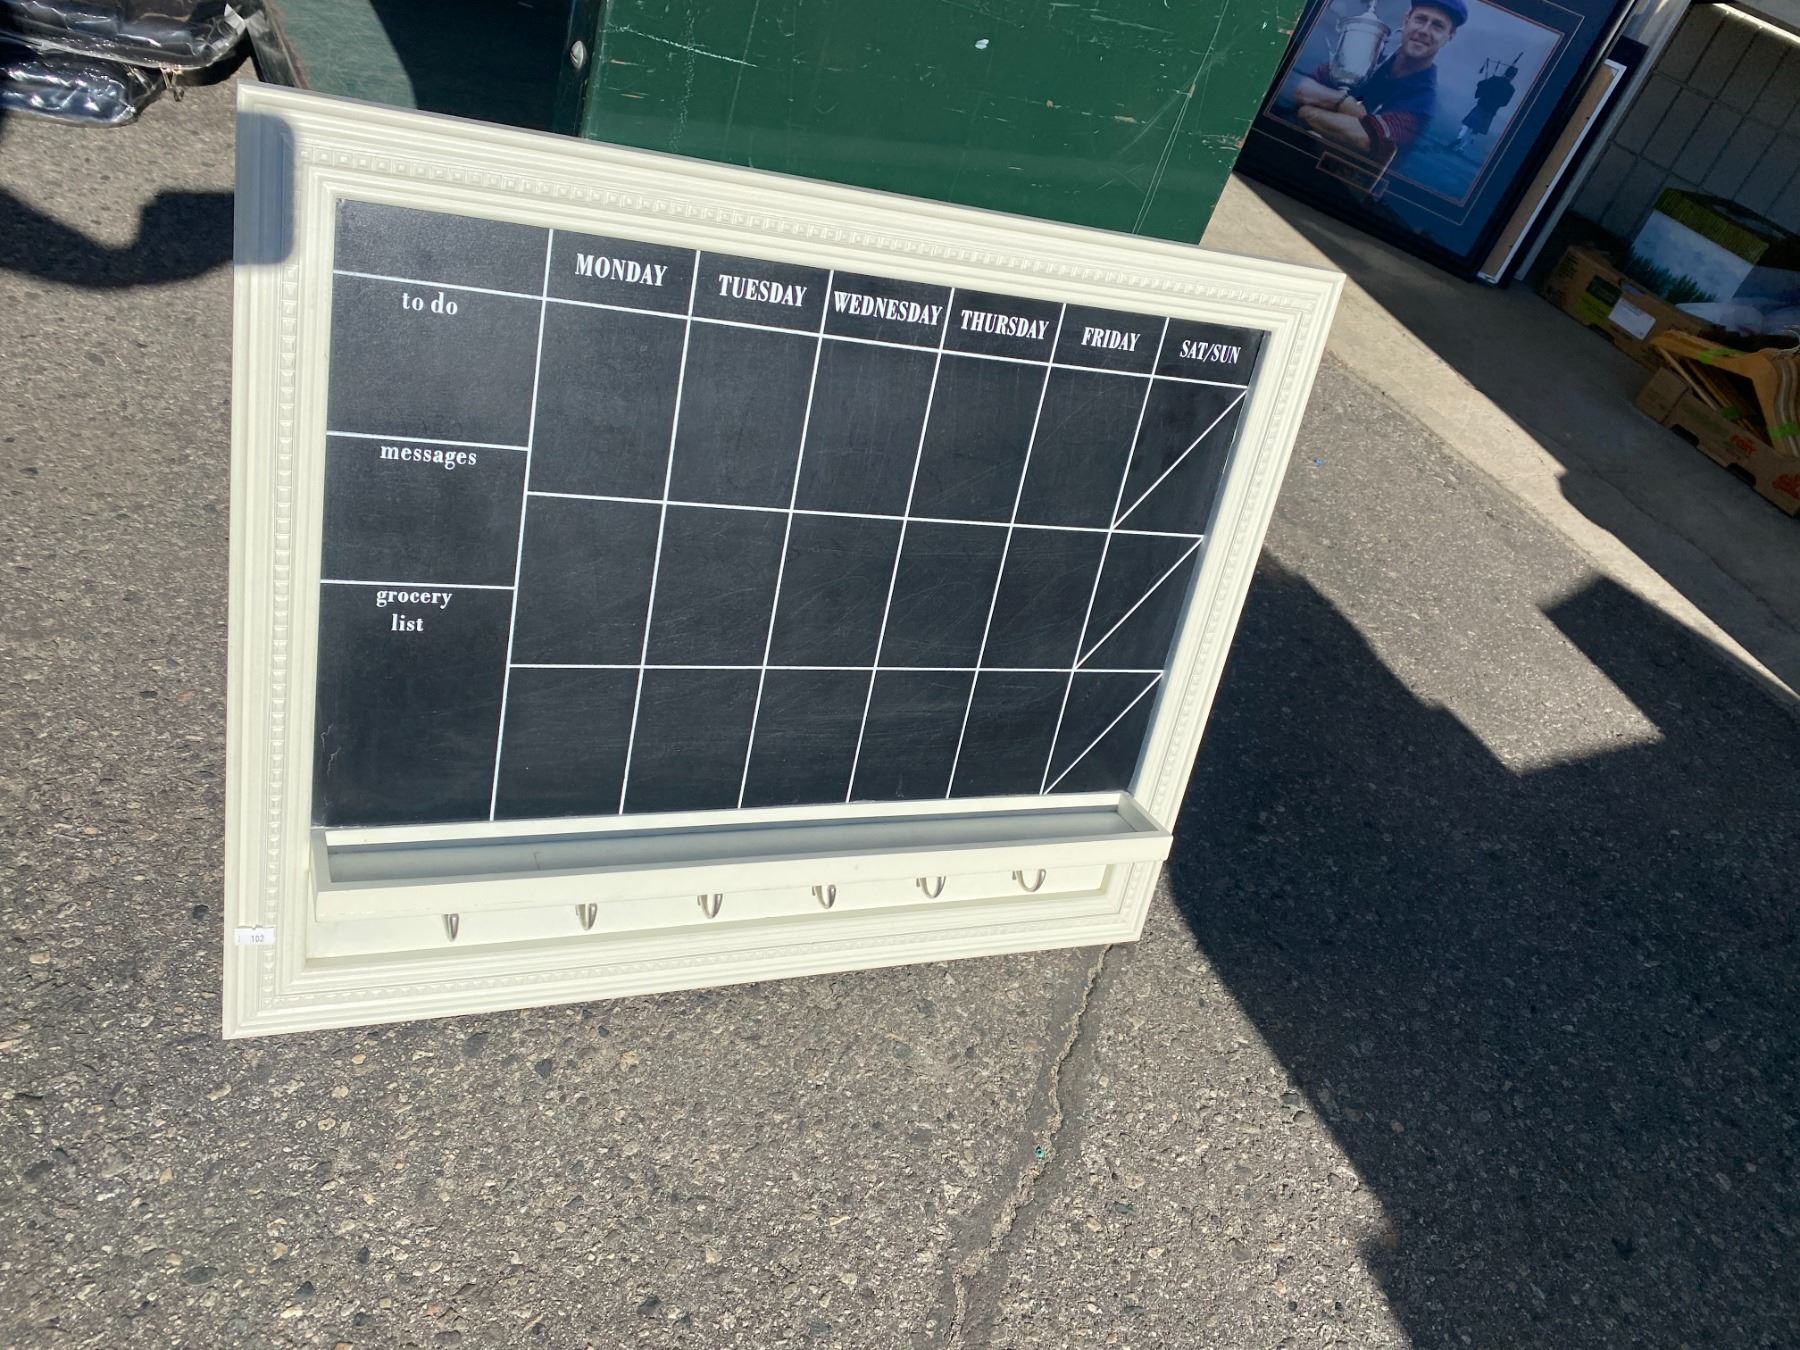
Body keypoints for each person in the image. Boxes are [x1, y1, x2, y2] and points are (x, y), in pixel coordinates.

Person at [1288, 0, 1465, 161]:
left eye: (1437, 26)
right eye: (1420, 19)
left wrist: (1307, 111)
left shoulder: (1423, 102)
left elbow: (1364, 139)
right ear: (1406, 20)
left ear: (1450, 36)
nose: (1424, 31)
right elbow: (1301, 88)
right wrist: (1345, 103)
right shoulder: (1368, 58)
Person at [1450, 64, 1517, 152]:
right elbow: (1505, 103)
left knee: (1467, 123)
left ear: (1505, 72)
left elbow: (1480, 84)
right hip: (1491, 111)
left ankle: (1459, 137)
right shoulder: (1511, 89)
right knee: (1476, 130)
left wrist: (1485, 91)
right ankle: (1462, 148)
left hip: (1482, 105)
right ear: (1513, 77)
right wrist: (1495, 103)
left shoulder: (1494, 79)